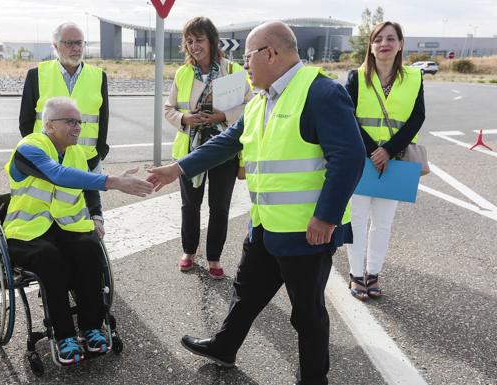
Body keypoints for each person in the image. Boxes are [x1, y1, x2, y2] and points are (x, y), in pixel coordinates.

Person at [147, 21, 364, 385]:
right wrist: (177, 169)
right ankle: (224, 346)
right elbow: (227, 142)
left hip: (305, 231)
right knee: (246, 293)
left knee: (307, 313)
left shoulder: (320, 93)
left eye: (247, 56)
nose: (244, 64)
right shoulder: (262, 98)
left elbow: (350, 157)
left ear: (271, 53)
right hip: (266, 224)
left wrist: (326, 218)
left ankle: (313, 378)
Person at [4, 97, 153, 365]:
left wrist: (96, 216)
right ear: (49, 125)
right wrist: (114, 181)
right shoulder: (29, 148)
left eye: (80, 122)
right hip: (27, 231)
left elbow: (87, 188)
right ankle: (64, 335)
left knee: (89, 248)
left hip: (67, 227)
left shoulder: (76, 153)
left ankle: (92, 327)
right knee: (49, 257)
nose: (78, 127)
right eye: (70, 121)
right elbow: (58, 175)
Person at [164, 16, 253, 279]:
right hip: (190, 151)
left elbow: (251, 108)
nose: (194, 46)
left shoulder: (234, 72)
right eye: (189, 41)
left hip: (223, 150)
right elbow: (169, 108)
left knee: (219, 207)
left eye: (199, 40)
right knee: (190, 206)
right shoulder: (182, 73)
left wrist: (222, 117)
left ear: (212, 41)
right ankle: (189, 251)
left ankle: (214, 257)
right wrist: (184, 118)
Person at [344, 21, 425, 301]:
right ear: (371, 45)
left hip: (395, 159)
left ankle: (373, 273)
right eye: (378, 39)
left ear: (401, 44)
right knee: (356, 220)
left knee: (383, 222)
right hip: (361, 159)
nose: (384, 43)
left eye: (391, 38)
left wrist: (388, 150)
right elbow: (348, 117)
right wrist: (372, 151)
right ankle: (356, 275)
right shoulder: (356, 77)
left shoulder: (414, 78)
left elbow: (417, 118)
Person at [19, 22, 109, 174]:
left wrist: (100, 151)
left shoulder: (99, 76)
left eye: (79, 43)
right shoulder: (37, 75)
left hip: (88, 162)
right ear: (55, 46)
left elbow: (103, 119)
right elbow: (25, 121)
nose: (76, 48)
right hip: (48, 162)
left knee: (91, 199)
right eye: (69, 43)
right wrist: (36, 153)